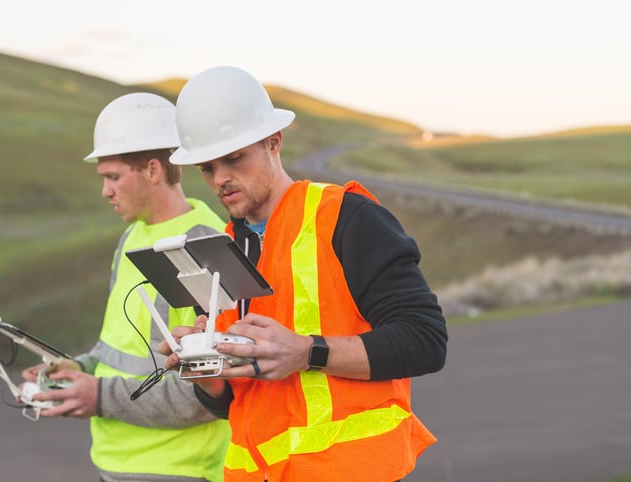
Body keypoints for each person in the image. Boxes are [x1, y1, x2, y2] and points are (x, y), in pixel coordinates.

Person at [160, 66, 448, 482]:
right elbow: (233, 403)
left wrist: (306, 351)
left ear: (273, 141)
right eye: (207, 167)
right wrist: (205, 369)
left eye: (234, 158)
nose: (220, 178)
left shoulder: (347, 217)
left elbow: (425, 341)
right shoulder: (225, 249)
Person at [21, 92, 230, 482]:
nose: (105, 191)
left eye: (113, 177)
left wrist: (98, 396)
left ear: (153, 170)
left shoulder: (204, 247)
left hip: (178, 470)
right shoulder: (132, 238)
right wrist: (80, 369)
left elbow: (213, 392)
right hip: (113, 463)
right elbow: (118, 346)